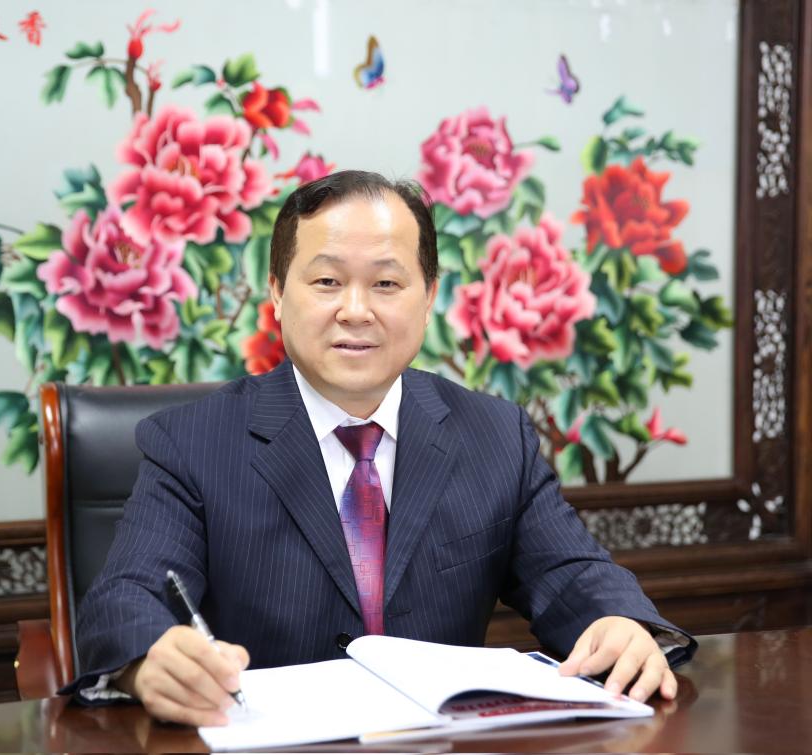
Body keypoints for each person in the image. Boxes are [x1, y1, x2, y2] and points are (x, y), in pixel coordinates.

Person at [68, 170, 696, 726]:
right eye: (327, 281)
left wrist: (620, 623)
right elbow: (125, 597)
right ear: (278, 292)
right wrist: (150, 658)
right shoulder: (190, 443)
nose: (356, 310)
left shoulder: (494, 434)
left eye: (387, 283)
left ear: (429, 296)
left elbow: (571, 574)